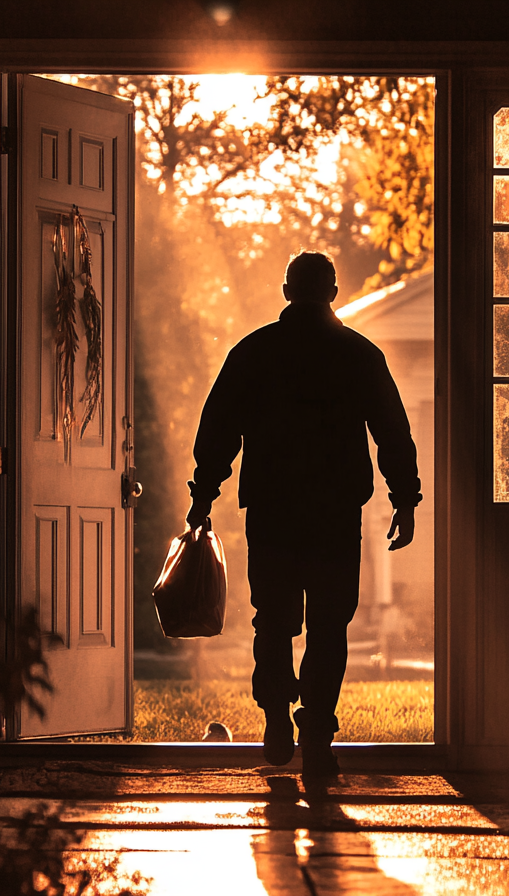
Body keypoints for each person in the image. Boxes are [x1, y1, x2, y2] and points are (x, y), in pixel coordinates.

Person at [186, 251, 422, 776]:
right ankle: (315, 730)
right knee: (328, 626)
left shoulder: (254, 352)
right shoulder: (360, 355)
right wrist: (403, 498)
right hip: (335, 515)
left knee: (272, 621)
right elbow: (392, 431)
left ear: (287, 292)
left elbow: (218, 429)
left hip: (271, 512)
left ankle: (274, 711)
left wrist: (204, 495)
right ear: (333, 294)